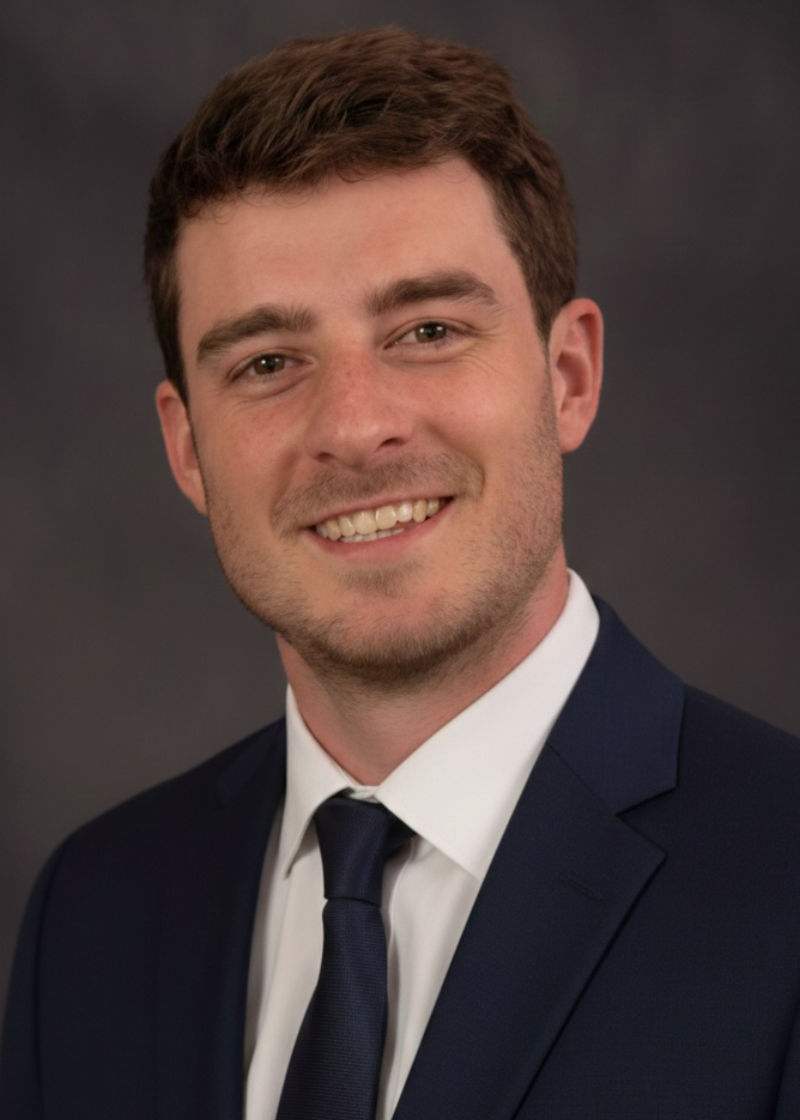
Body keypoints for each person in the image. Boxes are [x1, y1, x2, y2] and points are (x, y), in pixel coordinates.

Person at [2, 26, 800, 1120]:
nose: (353, 425)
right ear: (186, 449)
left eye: (427, 330)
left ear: (567, 376)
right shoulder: (92, 915)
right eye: (267, 362)